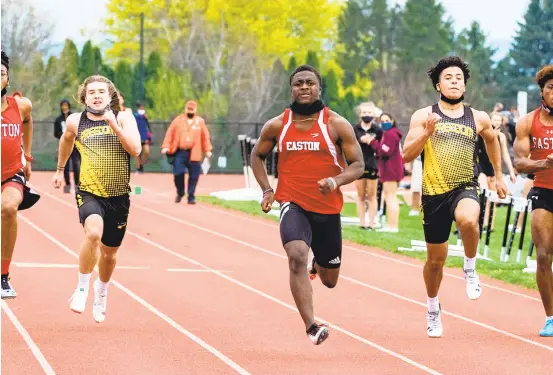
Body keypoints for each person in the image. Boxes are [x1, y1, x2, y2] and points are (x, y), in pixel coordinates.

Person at [250, 65, 364, 345]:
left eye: (309, 83)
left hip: (327, 208)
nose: (304, 87)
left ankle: (319, 265)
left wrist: (336, 182)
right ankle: (311, 326)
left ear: (319, 88)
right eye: (298, 83)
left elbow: (359, 165)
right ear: (291, 89)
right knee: (296, 255)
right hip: (293, 202)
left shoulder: (336, 124)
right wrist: (267, 189)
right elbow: (257, 156)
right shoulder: (277, 125)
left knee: (329, 280)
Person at [402, 56, 507, 338]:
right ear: (438, 84)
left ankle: (470, 266)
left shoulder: (479, 117)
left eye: (459, 77)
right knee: (435, 261)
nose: (454, 81)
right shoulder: (424, 115)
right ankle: (433, 307)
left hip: (465, 186)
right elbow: (406, 156)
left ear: (465, 84)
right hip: (433, 195)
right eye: (448, 77)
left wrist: (497, 175)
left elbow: (492, 139)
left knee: (468, 220)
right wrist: (426, 134)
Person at [52, 75, 141, 323]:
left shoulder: (123, 118)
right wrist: (60, 169)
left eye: (101, 91)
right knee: (93, 233)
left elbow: (135, 150)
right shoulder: (75, 121)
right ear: (84, 97)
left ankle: (101, 291)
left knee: (110, 253)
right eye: (92, 92)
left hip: (119, 196)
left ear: (110, 95)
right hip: (89, 191)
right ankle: (81, 288)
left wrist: (114, 125)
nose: (97, 95)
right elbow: (66, 140)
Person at [513, 64, 553, 337]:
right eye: (552, 88)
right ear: (543, 91)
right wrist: (543, 163)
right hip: (544, 190)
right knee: (542, 256)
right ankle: (551, 317)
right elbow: (519, 163)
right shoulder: (528, 122)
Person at [1, 50, 40, 299]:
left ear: (7, 79)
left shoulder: (21, 106)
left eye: (2, 74)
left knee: (8, 208)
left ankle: (3, 276)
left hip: (10, 174)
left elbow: (28, 122)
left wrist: (27, 156)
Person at [161, 100, 213, 204]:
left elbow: (205, 137)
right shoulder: (178, 120)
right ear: (185, 109)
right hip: (180, 152)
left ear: (195, 110)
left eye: (192, 110)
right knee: (178, 173)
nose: (190, 112)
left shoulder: (200, 122)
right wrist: (166, 146)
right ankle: (180, 192)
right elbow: (170, 133)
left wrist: (207, 150)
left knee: (194, 175)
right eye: (188, 109)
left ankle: (191, 196)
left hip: (195, 152)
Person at [370, 112, 404, 232]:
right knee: (390, 197)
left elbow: (385, 152)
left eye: (387, 120)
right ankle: (391, 225)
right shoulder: (390, 134)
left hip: (391, 169)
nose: (384, 123)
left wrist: (372, 142)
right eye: (382, 121)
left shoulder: (391, 134)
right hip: (391, 169)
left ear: (392, 120)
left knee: (390, 198)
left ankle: (393, 226)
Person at [352, 102, 382, 230]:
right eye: (364, 113)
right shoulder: (355, 129)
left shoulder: (377, 130)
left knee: (372, 195)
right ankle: (362, 222)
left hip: (372, 164)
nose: (366, 115)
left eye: (369, 113)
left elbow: (381, 148)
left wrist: (372, 141)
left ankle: (371, 223)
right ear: (360, 114)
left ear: (373, 114)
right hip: (359, 164)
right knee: (360, 195)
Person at [54, 99, 80, 193]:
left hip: (75, 145)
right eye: (63, 105)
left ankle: (77, 185)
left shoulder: (73, 117)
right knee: (65, 165)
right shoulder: (58, 119)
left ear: (69, 106)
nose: (65, 107)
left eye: (66, 105)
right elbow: (55, 133)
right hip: (65, 145)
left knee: (77, 165)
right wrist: (63, 135)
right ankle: (68, 185)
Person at [134, 102, 152, 173]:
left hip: (145, 136)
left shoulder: (145, 117)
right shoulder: (135, 116)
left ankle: (141, 164)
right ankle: (138, 168)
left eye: (143, 108)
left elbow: (147, 127)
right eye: (141, 108)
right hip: (137, 136)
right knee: (137, 154)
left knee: (146, 152)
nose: (142, 109)